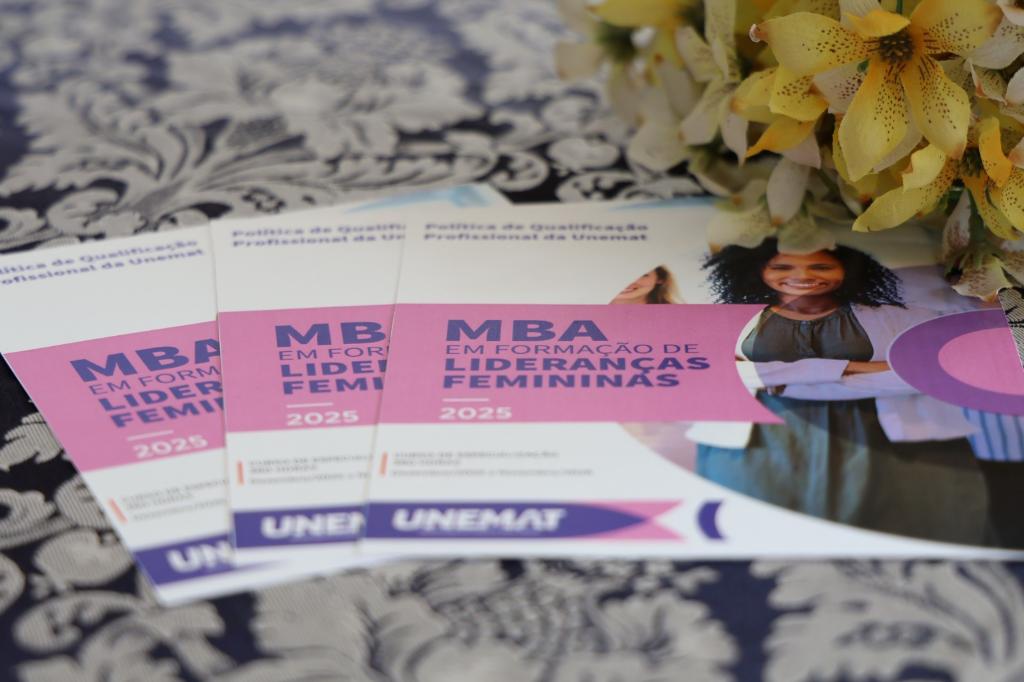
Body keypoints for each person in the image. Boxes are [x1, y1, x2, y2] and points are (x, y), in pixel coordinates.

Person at [693, 239, 991, 546]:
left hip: (886, 445)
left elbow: (925, 373)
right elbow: (713, 372)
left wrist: (778, 377)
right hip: (762, 447)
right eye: (782, 267)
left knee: (906, 538)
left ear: (846, 268)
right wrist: (851, 368)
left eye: (821, 266)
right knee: (767, 541)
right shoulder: (728, 318)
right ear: (759, 270)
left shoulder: (897, 313)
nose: (802, 275)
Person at [611, 266, 678, 304]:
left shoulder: (675, 315)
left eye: (642, 275)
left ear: (660, 279)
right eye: (616, 273)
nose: (626, 282)